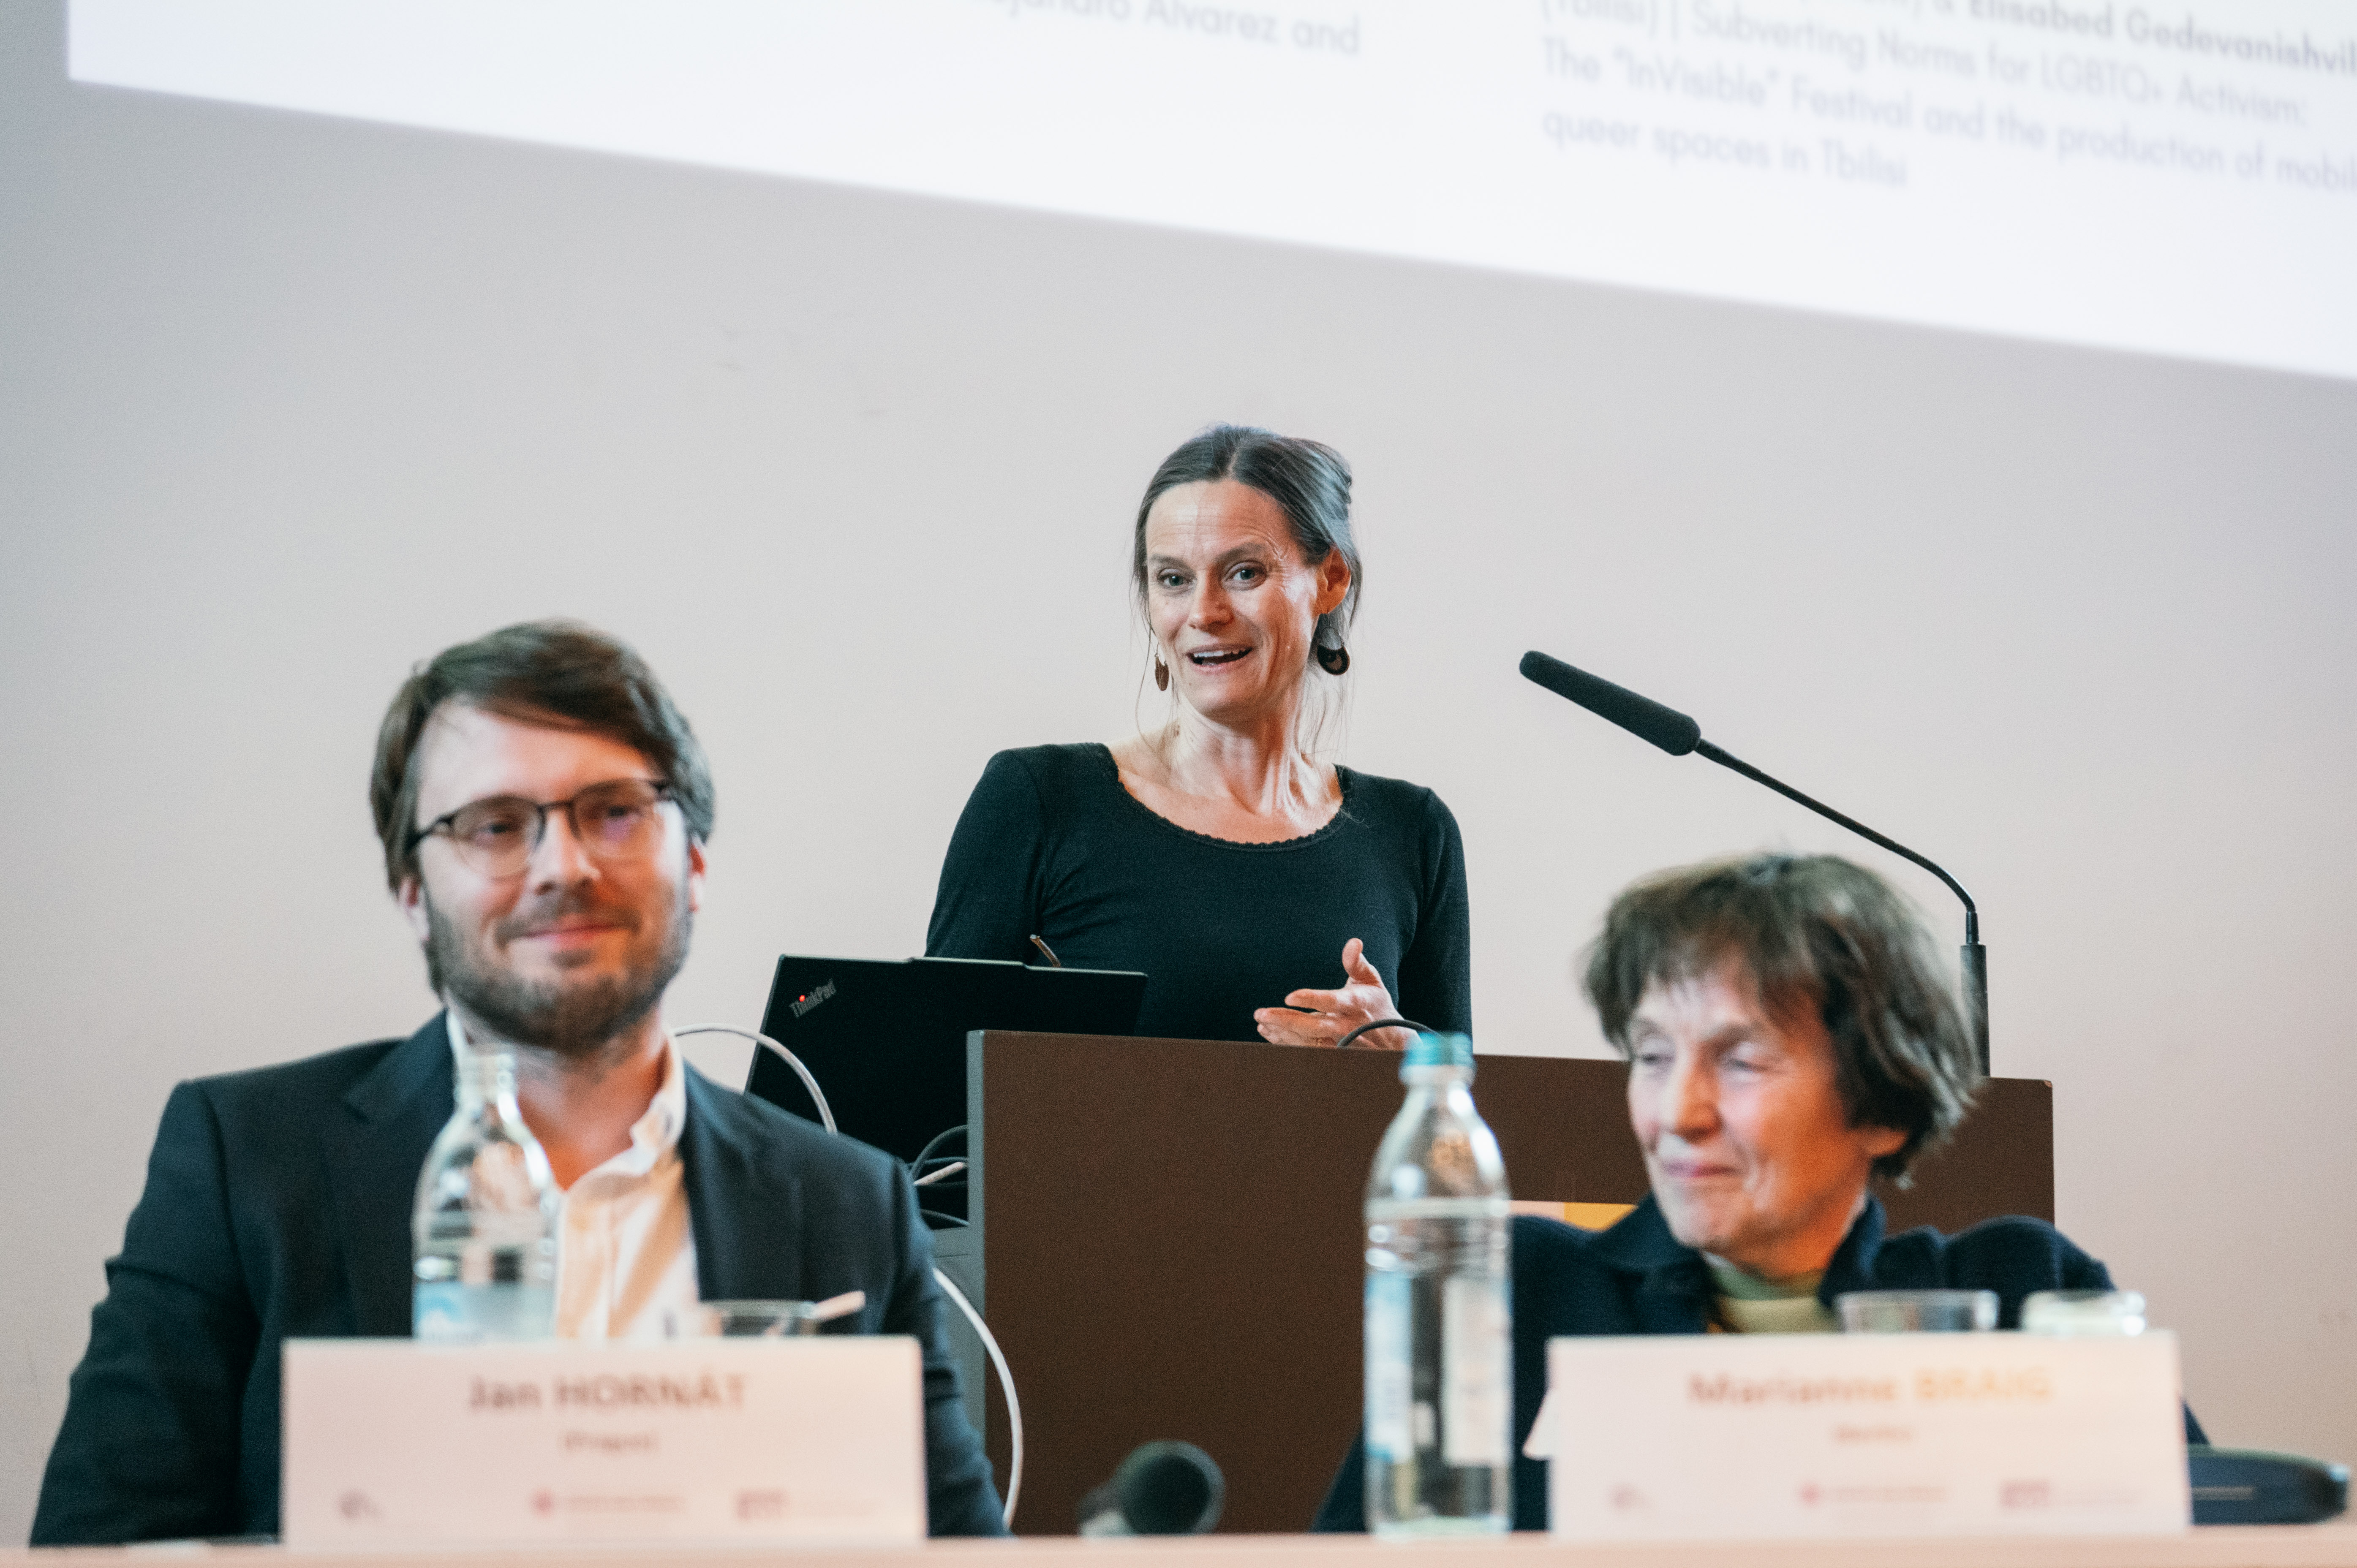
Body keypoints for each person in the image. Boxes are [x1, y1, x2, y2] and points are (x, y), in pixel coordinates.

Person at [33, 621, 1004, 1544]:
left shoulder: (848, 1204)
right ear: (413, 893)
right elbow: (98, 1551)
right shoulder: (243, 1160)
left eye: (614, 812)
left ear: (695, 861)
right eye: (496, 826)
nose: (562, 866)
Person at [1313, 852, 2203, 1531]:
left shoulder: (2021, 1292)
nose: (1678, 1114)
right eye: (1654, 1058)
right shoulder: (1520, 1297)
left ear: (1883, 1105)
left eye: (1740, 1063)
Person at [925, 425, 1470, 1048]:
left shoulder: (1414, 832)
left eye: (1244, 572)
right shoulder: (1037, 801)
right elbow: (932, 1098)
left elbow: (1457, 1131)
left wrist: (1401, 1061)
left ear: (1331, 579)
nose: (1205, 613)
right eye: (1174, 579)